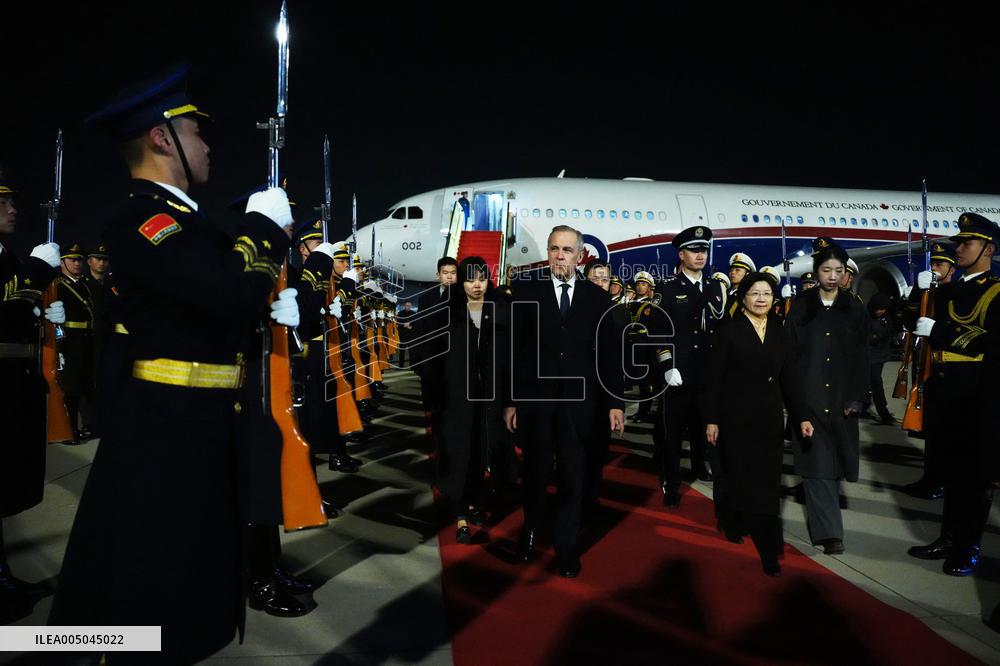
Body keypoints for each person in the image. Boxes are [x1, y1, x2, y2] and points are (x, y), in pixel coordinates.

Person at [49, 68, 295, 664]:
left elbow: (218, 308)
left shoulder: (186, 223)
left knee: (183, 592)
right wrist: (264, 230)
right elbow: (227, 291)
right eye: (194, 132)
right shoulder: (146, 219)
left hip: (195, 430)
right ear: (162, 139)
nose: (207, 145)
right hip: (168, 438)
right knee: (150, 596)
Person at [505, 225, 624, 578]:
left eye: (567, 250)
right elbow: (512, 352)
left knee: (574, 476)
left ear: (580, 255)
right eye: (554, 248)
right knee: (536, 472)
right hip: (536, 403)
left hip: (580, 405)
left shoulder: (597, 299)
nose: (559, 255)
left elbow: (609, 355)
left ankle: (566, 547)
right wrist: (510, 401)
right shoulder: (525, 292)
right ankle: (529, 532)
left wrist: (615, 402)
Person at [907, 213, 1000, 576]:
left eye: (967, 243)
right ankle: (948, 538)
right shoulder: (947, 289)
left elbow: (990, 341)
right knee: (951, 472)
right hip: (945, 392)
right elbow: (910, 319)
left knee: (975, 478)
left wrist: (941, 333)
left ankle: (967, 548)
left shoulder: (996, 292)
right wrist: (920, 292)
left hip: (978, 395)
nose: (958, 248)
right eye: (958, 242)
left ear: (988, 249)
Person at [702, 273, 813, 576]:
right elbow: (714, 381)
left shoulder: (780, 332)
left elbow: (790, 378)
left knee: (767, 482)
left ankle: (769, 547)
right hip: (734, 418)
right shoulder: (728, 332)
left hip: (769, 418)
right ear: (743, 298)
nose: (761, 299)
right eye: (755, 293)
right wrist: (711, 419)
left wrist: (802, 415)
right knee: (737, 476)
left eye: (766, 293)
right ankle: (732, 520)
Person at [0, 179, 63, 614]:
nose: (13, 209)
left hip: (12, 379)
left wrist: (37, 311)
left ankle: (2, 576)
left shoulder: (6, 253)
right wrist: (36, 273)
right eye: (3, 203)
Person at [785, 240, 869, 555]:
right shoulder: (801, 307)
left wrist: (857, 397)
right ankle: (830, 533)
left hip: (842, 399)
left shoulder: (854, 309)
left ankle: (828, 524)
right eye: (826, 270)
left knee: (837, 461)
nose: (833, 276)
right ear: (816, 271)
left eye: (838, 270)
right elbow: (790, 357)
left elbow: (862, 357)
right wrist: (794, 402)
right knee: (817, 464)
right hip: (810, 397)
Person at [437, 257, 514, 543]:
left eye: (481, 278)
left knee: (484, 451)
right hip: (456, 400)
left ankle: (475, 501)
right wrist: (441, 390)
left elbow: (511, 359)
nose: (477, 285)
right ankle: (460, 513)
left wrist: (510, 400)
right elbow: (430, 357)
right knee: (460, 452)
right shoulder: (448, 312)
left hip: (491, 399)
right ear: (462, 282)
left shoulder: (501, 311)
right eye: (470, 279)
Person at [653, 226, 728, 505]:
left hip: (707, 373)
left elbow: (722, 330)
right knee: (672, 434)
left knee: (703, 427)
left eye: (704, 250)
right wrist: (667, 365)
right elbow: (658, 331)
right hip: (679, 372)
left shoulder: (715, 287)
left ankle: (700, 466)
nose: (700, 255)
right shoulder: (667, 288)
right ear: (681, 254)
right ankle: (670, 482)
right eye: (694, 250)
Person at [901, 242, 956, 500]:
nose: (934, 268)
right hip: (927, 368)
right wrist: (916, 292)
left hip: (948, 370)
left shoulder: (955, 292)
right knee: (931, 430)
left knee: (946, 432)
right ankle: (930, 478)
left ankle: (942, 481)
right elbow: (907, 318)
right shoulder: (927, 291)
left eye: (940, 264)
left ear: (951, 269)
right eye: (933, 263)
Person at [56, 242, 96, 443]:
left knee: (83, 384)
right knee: (70, 387)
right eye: (72, 260)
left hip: (85, 339)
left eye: (79, 260)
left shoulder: (83, 284)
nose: (77, 263)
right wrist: (59, 345)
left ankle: (83, 426)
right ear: (62, 262)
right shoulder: (57, 285)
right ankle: (68, 430)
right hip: (69, 340)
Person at [865, 292, 896, 424]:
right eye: (878, 309)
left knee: (871, 384)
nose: (880, 311)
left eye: (882, 309)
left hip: (880, 355)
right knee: (877, 384)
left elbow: (889, 331)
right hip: (869, 356)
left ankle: (863, 407)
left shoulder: (886, 317)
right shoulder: (866, 317)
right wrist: (876, 337)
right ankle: (883, 413)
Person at [396, 300, 416, 367]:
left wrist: (409, 324)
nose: (408, 307)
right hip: (402, 335)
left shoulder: (413, 313)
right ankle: (401, 366)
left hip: (411, 335)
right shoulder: (400, 313)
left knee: (411, 351)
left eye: (409, 306)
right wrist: (407, 325)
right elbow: (398, 322)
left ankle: (412, 366)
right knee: (402, 351)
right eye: (407, 306)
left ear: (411, 306)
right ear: (404, 306)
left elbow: (415, 322)